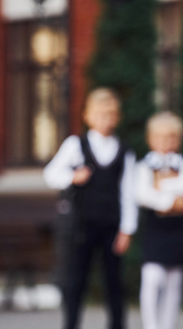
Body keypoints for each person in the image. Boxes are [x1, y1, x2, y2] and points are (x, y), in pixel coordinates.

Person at [43, 87, 137, 329]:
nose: (105, 119)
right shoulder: (76, 145)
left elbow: (128, 192)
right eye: (99, 114)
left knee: (114, 283)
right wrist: (73, 177)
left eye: (110, 114)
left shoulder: (124, 151)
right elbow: (51, 174)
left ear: (117, 117)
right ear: (87, 116)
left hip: (111, 226)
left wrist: (127, 229)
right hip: (81, 226)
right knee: (75, 282)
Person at [135, 111, 183, 329]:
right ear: (150, 139)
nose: (166, 142)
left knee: (174, 283)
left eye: (171, 137)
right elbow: (142, 194)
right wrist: (171, 202)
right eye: (160, 137)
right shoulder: (144, 165)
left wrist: (160, 187)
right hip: (154, 230)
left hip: (177, 231)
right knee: (152, 280)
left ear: (178, 139)